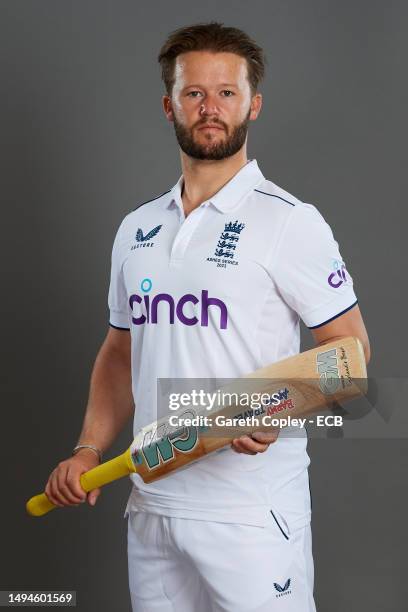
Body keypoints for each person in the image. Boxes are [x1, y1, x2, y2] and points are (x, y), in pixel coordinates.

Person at [45, 21, 370, 612]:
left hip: (249, 514)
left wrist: (274, 404)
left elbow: (351, 356)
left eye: (227, 92)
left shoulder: (290, 222)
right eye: (194, 93)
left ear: (254, 104)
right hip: (152, 506)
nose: (210, 107)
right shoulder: (136, 229)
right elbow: (121, 352)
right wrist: (90, 449)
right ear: (169, 105)